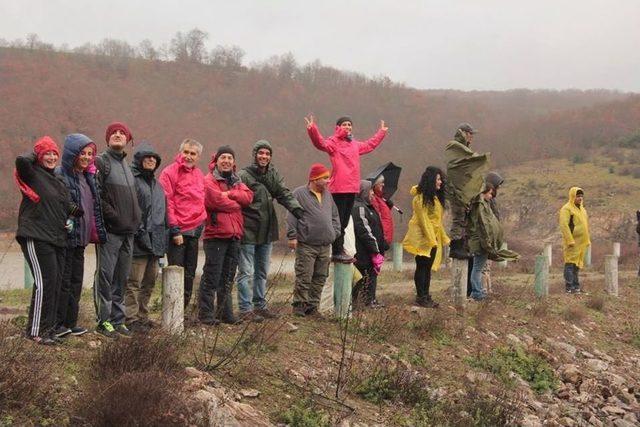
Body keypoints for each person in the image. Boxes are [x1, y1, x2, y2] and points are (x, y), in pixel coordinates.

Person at [15, 136, 80, 344]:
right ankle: (36, 331)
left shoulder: (58, 180)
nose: (52, 157)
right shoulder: (32, 173)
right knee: (44, 283)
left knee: (55, 283)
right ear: (39, 156)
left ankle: (49, 329)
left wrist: (74, 213)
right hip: (36, 235)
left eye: (54, 153)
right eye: (47, 154)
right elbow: (21, 160)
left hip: (57, 238)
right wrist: (37, 151)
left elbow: (66, 204)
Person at [305, 115, 388, 263]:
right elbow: (320, 143)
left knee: (344, 222)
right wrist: (312, 129)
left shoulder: (354, 144)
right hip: (338, 188)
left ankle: (339, 249)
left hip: (352, 188)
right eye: (344, 124)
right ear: (338, 127)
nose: (348, 127)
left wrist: (381, 132)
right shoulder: (333, 142)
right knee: (338, 221)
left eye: (350, 124)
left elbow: (370, 145)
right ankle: (336, 250)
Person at [237, 140, 303, 322]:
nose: (264, 156)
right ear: (255, 154)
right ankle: (245, 308)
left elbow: (283, 193)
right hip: (248, 229)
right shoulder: (243, 175)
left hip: (266, 230)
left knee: (261, 271)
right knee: (246, 272)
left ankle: (260, 306)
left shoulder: (273, 174)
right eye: (261, 153)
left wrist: (296, 208)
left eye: (267, 154)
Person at [54, 134, 107, 338]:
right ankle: (58, 324)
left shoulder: (87, 178)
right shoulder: (61, 175)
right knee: (64, 282)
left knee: (76, 282)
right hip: (66, 238)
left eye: (89, 154)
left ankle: (70, 322)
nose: (86, 157)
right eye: (82, 153)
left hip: (81, 240)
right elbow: (57, 203)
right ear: (72, 154)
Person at [94, 122, 141, 338]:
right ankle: (104, 321)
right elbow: (97, 195)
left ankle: (118, 320)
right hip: (111, 230)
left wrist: (136, 218)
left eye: (122, 133)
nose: (118, 135)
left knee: (121, 278)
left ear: (128, 139)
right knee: (105, 275)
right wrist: (113, 217)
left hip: (128, 232)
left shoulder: (128, 167)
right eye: (113, 132)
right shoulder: (101, 162)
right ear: (107, 138)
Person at [199, 146, 253, 325]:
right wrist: (237, 204)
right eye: (223, 157)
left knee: (228, 278)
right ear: (216, 161)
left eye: (230, 157)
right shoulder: (209, 179)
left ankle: (225, 313)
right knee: (211, 277)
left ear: (234, 162)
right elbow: (214, 200)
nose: (227, 161)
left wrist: (230, 194)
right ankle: (205, 315)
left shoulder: (236, 181)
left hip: (235, 235)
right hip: (216, 235)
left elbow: (248, 197)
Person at [159, 139, 207, 311]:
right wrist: (175, 229)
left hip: (194, 232)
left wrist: (202, 223)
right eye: (185, 152)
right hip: (177, 233)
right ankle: (172, 314)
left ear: (198, 156)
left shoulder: (200, 175)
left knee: (190, 274)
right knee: (175, 273)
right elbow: (167, 202)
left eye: (192, 153)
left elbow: (202, 200)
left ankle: (183, 312)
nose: (188, 156)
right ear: (180, 152)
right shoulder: (169, 172)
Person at [287, 163, 340, 317]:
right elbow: (291, 215)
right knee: (304, 276)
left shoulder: (328, 195)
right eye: (325, 178)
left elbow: (335, 216)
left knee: (320, 277)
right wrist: (292, 235)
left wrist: (334, 232)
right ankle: (299, 307)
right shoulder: (299, 194)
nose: (328, 181)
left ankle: (312, 307)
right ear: (314, 179)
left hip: (325, 245)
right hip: (307, 244)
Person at [124, 142, 168, 332]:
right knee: (133, 281)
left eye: (154, 158)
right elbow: (131, 210)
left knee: (149, 282)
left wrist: (162, 238)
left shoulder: (158, 186)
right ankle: (130, 318)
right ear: (139, 159)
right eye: (147, 157)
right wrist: (140, 233)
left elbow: (163, 215)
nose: (151, 160)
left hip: (156, 241)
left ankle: (142, 315)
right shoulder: (132, 180)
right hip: (138, 240)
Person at [402, 167, 450, 308]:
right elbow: (424, 221)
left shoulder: (434, 197)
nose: (440, 182)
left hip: (432, 237)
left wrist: (442, 237)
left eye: (441, 179)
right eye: (438, 179)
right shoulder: (420, 198)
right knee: (422, 266)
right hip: (422, 237)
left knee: (427, 268)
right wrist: (431, 240)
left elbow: (436, 221)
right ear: (431, 180)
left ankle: (426, 295)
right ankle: (421, 297)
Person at [467, 182, 519, 301]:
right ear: (483, 192)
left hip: (482, 242)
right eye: (490, 193)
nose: (491, 196)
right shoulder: (480, 206)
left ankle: (477, 292)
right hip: (481, 243)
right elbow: (483, 226)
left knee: (478, 268)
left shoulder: (484, 204)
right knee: (477, 269)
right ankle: (477, 293)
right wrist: (488, 243)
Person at [444, 123, 489, 259]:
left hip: (463, 191)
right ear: (463, 133)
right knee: (459, 218)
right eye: (470, 133)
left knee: (464, 219)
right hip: (456, 191)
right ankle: (455, 247)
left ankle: (462, 246)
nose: (471, 137)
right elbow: (457, 168)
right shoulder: (454, 146)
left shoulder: (463, 149)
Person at [351, 180, 388, 308]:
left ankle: (370, 300)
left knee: (371, 275)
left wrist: (382, 244)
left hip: (371, 251)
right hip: (363, 252)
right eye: (370, 191)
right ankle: (358, 303)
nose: (372, 193)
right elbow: (364, 231)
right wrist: (374, 249)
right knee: (363, 276)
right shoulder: (359, 207)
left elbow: (377, 228)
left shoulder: (368, 207)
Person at [559, 187, 590, 294]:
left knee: (577, 266)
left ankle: (576, 287)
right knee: (569, 264)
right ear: (573, 196)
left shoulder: (582, 209)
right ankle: (569, 287)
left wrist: (587, 240)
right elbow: (564, 225)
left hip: (581, 243)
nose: (580, 198)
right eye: (578, 196)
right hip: (572, 242)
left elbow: (585, 226)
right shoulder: (566, 209)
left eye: (581, 196)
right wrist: (569, 240)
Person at [368, 174, 395, 248]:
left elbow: (384, 214)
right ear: (375, 184)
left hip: (384, 235)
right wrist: (382, 237)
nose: (383, 184)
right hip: (381, 236)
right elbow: (377, 217)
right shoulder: (374, 199)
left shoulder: (380, 198)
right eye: (381, 182)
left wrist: (388, 206)